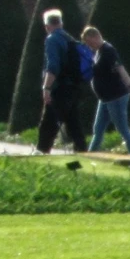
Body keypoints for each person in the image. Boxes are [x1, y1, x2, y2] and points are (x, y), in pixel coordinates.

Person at [81, 26, 130, 155]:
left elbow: (121, 69)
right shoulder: (98, 52)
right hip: (105, 98)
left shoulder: (108, 51)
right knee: (98, 129)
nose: (88, 45)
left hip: (116, 96)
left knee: (123, 129)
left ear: (96, 37)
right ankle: (90, 156)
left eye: (89, 42)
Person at [36, 10, 86, 155]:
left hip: (59, 88)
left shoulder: (52, 39)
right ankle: (83, 153)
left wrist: (46, 88)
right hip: (73, 87)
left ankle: (41, 153)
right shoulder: (70, 39)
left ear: (47, 26)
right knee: (74, 124)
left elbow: (53, 66)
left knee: (48, 124)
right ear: (61, 23)